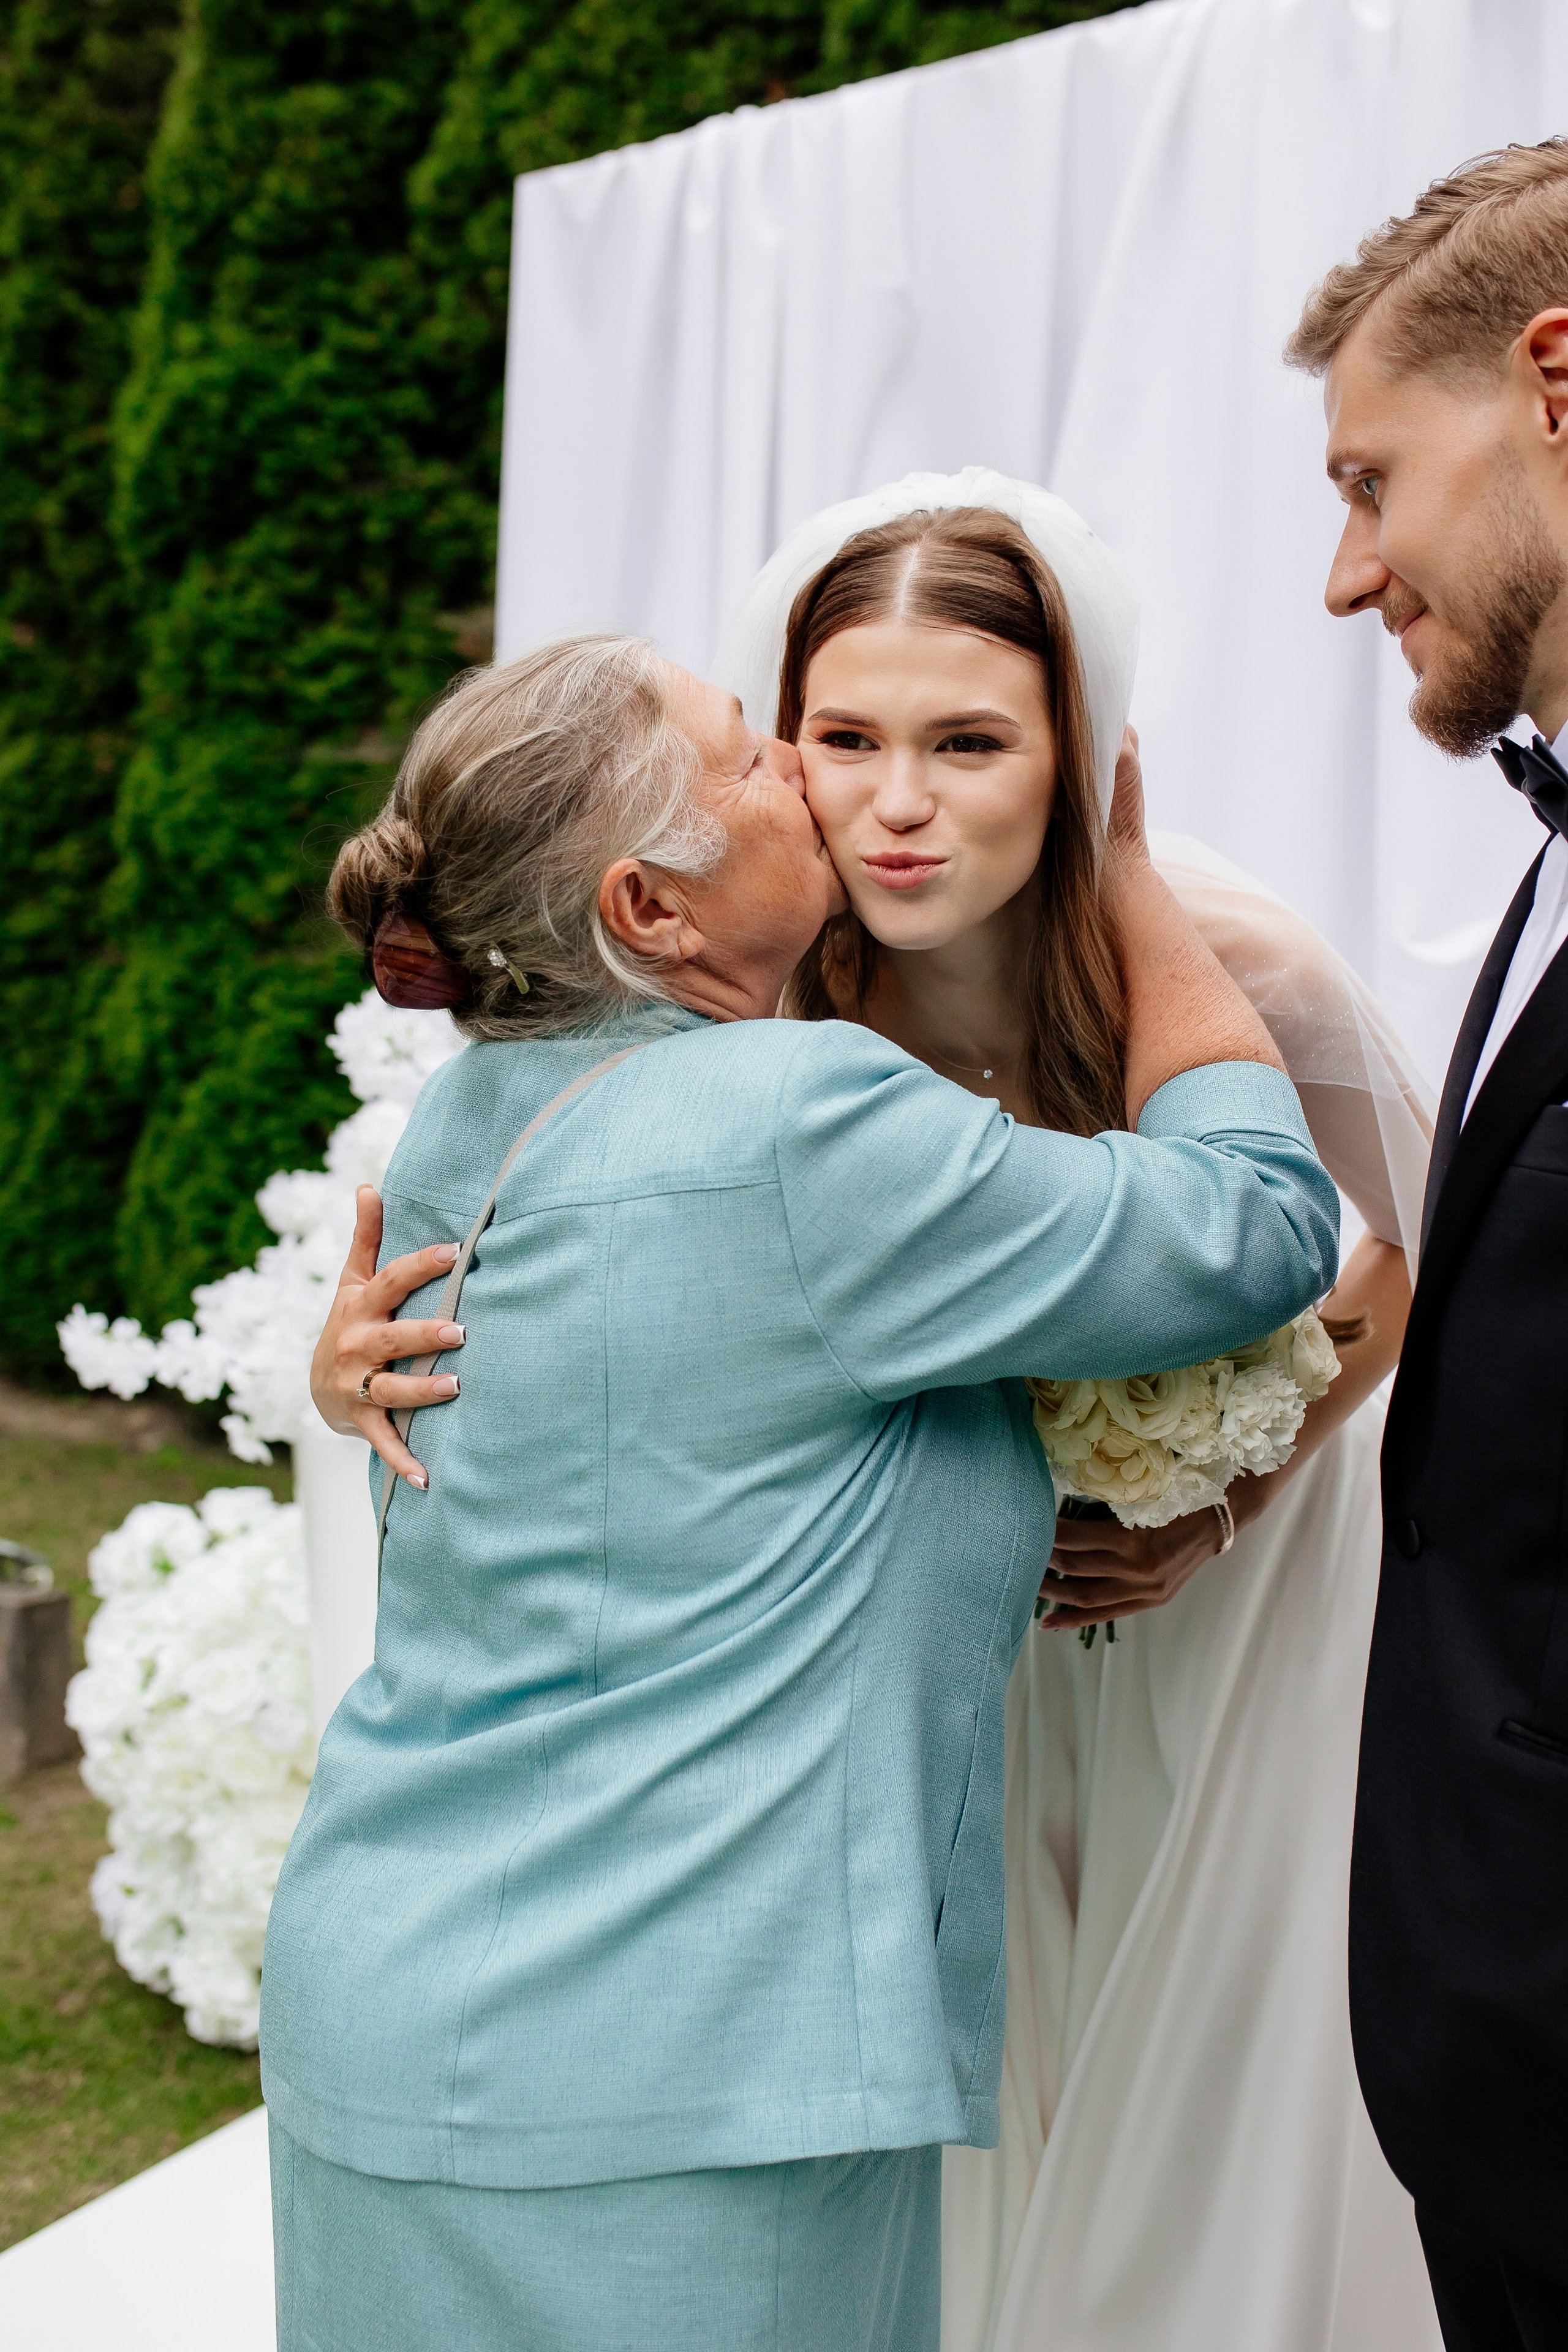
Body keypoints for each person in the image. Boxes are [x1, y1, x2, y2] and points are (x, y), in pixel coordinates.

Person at [258, 631, 1335, 2352]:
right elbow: (1259, 1229)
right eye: (750, 757)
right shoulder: (800, 1120)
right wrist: (1126, 879)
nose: (803, 778)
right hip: (681, 2072)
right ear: (650, 911)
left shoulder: (466, 1112)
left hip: (388, 2012)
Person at [718, 468, 1441, 2350]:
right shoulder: (772, 993)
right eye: (847, 739)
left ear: (1076, 753)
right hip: (958, 1614)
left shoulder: (1230, 956)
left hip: (1245, 1595)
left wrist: (1233, 1490)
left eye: (968, 742)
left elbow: (1426, 1246)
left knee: (1204, 2060)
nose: (897, 803)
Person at [1286, 138, 1568, 2352]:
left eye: (1373, 482)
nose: (1345, 573)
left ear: (1555, 381)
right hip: (1498, 2092)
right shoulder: (1545, 850)